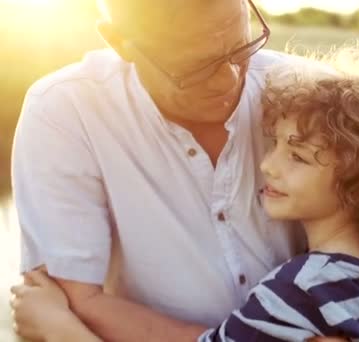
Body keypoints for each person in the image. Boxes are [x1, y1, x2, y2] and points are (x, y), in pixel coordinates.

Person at [11, 49, 359, 341]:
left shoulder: (296, 292)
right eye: (275, 142)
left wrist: (59, 327)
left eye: (296, 156)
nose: (267, 163)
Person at [9, 0, 314, 341]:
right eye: (195, 66)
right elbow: (76, 303)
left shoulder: (316, 96)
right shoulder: (64, 112)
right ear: (119, 41)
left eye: (239, 45)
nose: (227, 78)